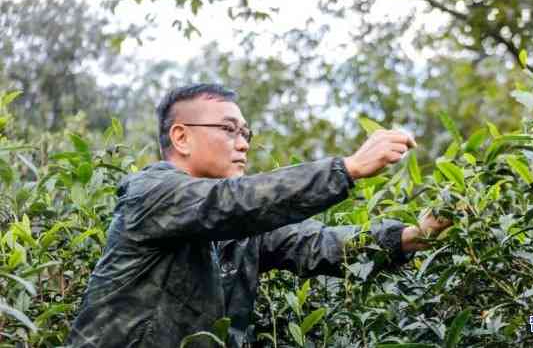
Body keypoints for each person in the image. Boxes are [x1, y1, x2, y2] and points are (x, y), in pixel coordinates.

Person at [67, 84, 451, 347]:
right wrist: (346, 169)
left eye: (246, 132)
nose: (244, 142)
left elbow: (315, 244)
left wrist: (412, 236)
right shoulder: (151, 193)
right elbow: (234, 202)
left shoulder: (240, 228)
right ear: (181, 137)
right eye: (229, 129)